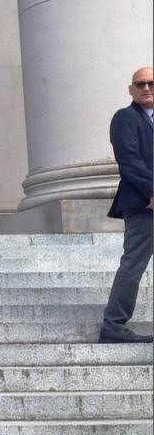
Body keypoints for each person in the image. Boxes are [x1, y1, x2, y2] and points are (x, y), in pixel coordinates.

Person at [100, 66, 154, 344]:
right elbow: (129, 162)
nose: (146, 88)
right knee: (133, 265)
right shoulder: (124, 118)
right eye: (140, 84)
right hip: (145, 204)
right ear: (131, 89)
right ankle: (113, 325)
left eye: (151, 83)